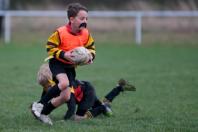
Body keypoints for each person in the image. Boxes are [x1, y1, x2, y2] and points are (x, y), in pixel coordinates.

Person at [31, 2, 95, 123]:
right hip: (57, 62)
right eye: (82, 18)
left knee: (65, 96)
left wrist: (90, 57)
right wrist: (64, 54)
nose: (85, 21)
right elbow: (49, 47)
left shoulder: (86, 34)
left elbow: (91, 48)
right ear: (72, 19)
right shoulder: (61, 32)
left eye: (86, 18)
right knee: (64, 83)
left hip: (70, 66)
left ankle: (43, 113)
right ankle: (39, 104)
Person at [32, 63, 136, 125]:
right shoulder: (54, 86)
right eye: (44, 87)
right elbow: (44, 99)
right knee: (102, 105)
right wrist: (39, 111)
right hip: (87, 87)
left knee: (77, 118)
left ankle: (102, 109)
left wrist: (65, 120)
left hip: (86, 94)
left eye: (47, 86)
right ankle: (119, 88)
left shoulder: (67, 87)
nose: (46, 90)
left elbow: (71, 107)